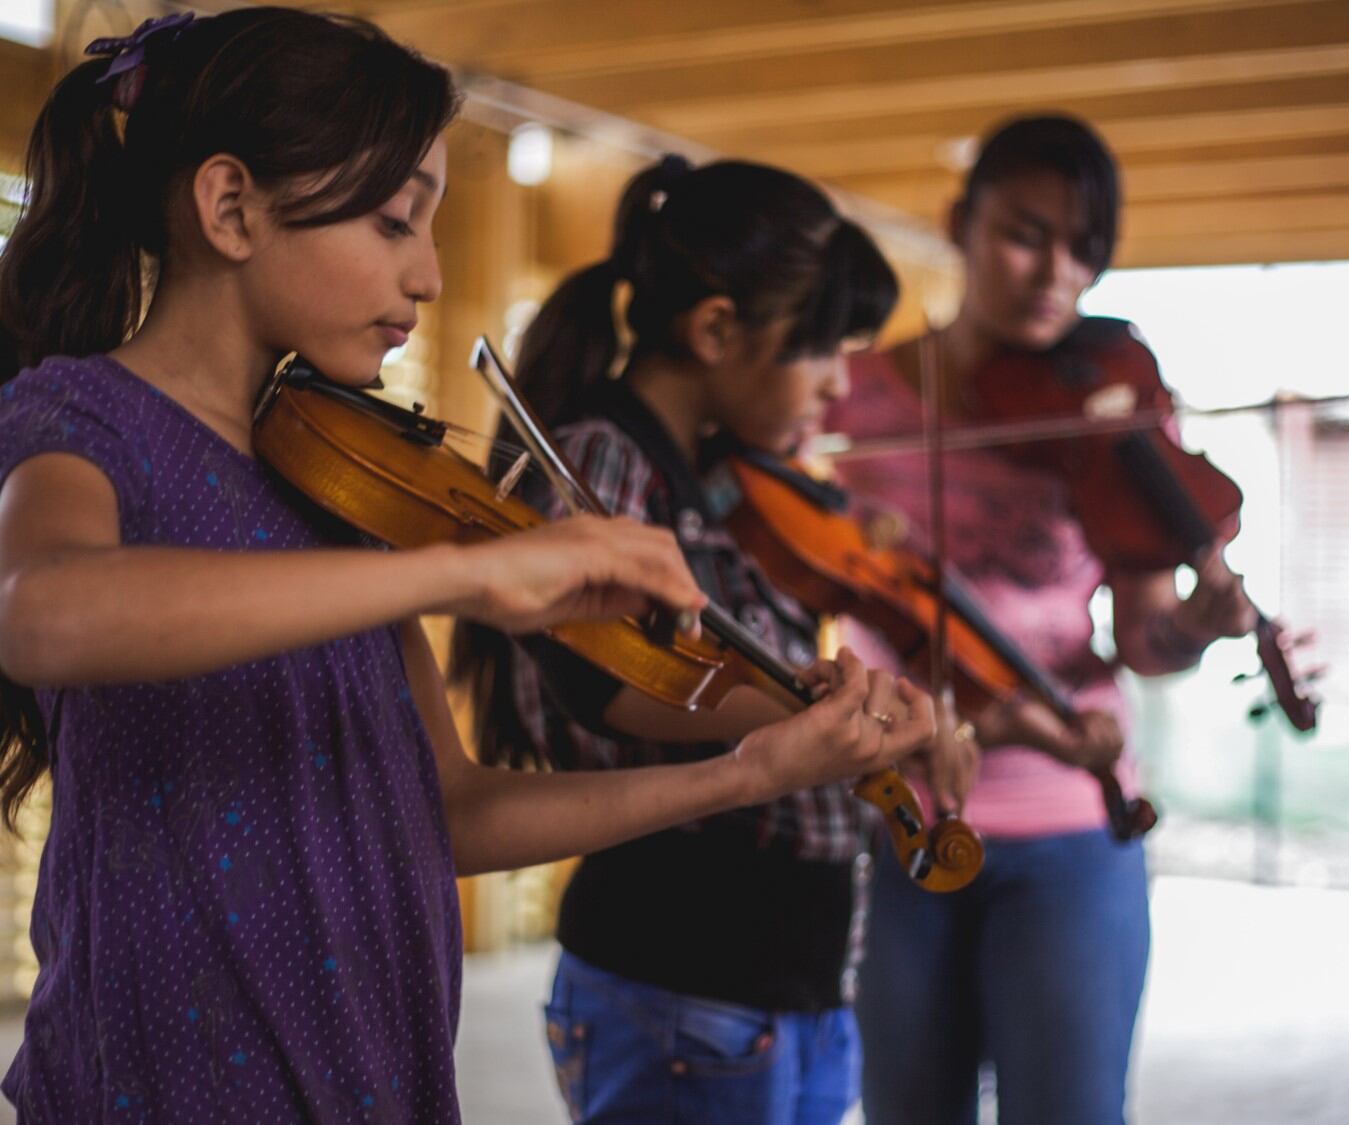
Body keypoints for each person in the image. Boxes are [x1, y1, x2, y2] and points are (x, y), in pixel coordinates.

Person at [0, 11, 927, 1120]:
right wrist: (468, 575)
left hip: (372, 1074)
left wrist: (748, 772)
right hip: (167, 1083)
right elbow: (43, 613)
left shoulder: (338, 480)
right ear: (232, 207)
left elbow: (451, 808)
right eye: (394, 222)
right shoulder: (80, 417)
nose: (430, 276)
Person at [450, 155, 942, 1124]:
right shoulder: (602, 455)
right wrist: (823, 713)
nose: (838, 384)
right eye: (821, 350)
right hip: (685, 974)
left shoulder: (724, 475)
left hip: (792, 980)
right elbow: (612, 676)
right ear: (716, 330)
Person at [824, 114, 1261, 1125]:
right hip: (898, 816)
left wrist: (1196, 627)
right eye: (1025, 234)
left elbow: (1145, 640)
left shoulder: (1103, 407)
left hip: (1070, 818)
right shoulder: (853, 397)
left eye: (1083, 249)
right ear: (960, 225)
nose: (1055, 273)